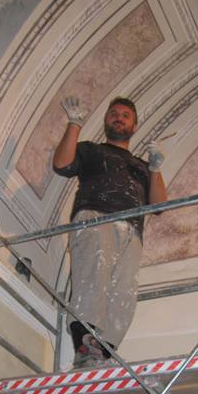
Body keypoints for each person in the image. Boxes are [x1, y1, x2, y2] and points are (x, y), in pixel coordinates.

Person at [53, 96, 168, 368]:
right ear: (106, 121)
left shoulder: (140, 165)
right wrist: (74, 124)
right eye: (114, 113)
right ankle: (84, 346)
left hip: (132, 229)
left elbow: (160, 205)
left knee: (124, 290)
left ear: (134, 125)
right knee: (93, 274)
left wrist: (155, 169)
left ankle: (102, 353)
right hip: (95, 217)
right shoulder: (92, 150)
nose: (119, 117)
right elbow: (62, 164)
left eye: (126, 115)